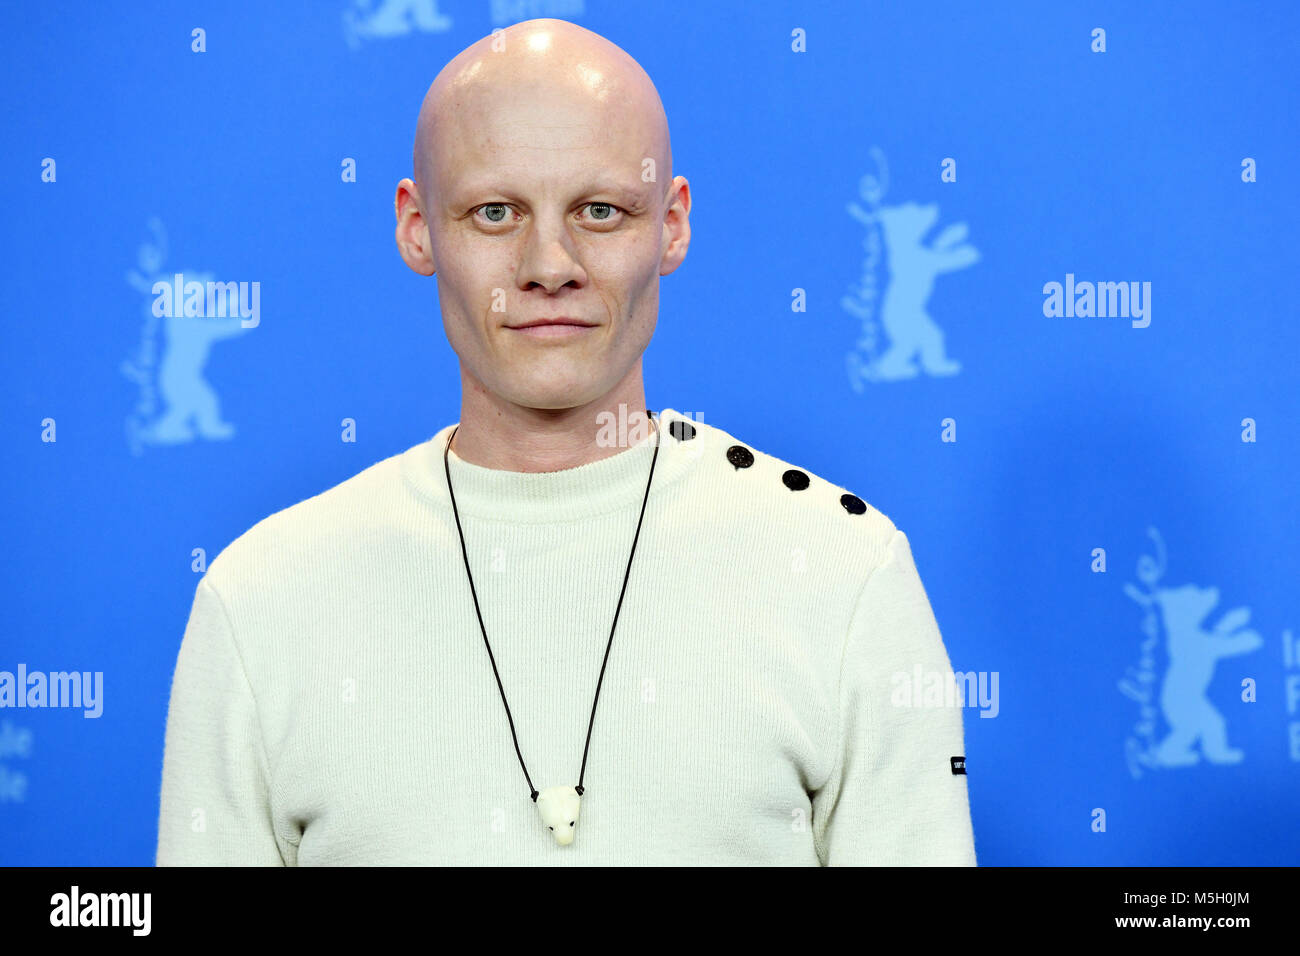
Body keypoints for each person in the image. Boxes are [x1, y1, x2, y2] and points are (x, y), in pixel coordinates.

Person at [155, 17, 977, 866]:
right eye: (496, 212)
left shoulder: (844, 573)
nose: (550, 264)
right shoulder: (263, 599)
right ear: (417, 229)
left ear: (672, 225)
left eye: (599, 210)